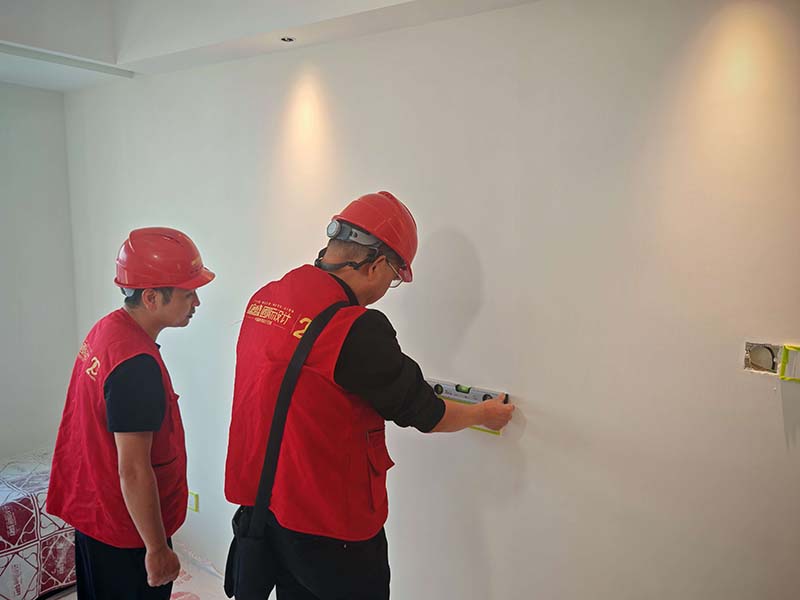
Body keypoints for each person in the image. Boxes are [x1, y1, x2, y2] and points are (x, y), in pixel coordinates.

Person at [225, 191, 514, 599]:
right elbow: (426, 413)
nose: (387, 287)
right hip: (331, 528)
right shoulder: (356, 329)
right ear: (376, 265)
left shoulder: (267, 299)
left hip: (265, 508)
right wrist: (483, 414)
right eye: (393, 277)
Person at [47, 227, 215, 599]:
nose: (197, 302)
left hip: (95, 510)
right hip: (126, 529)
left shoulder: (107, 329)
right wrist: (156, 549)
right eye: (188, 293)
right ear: (152, 297)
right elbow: (134, 469)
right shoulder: (135, 365)